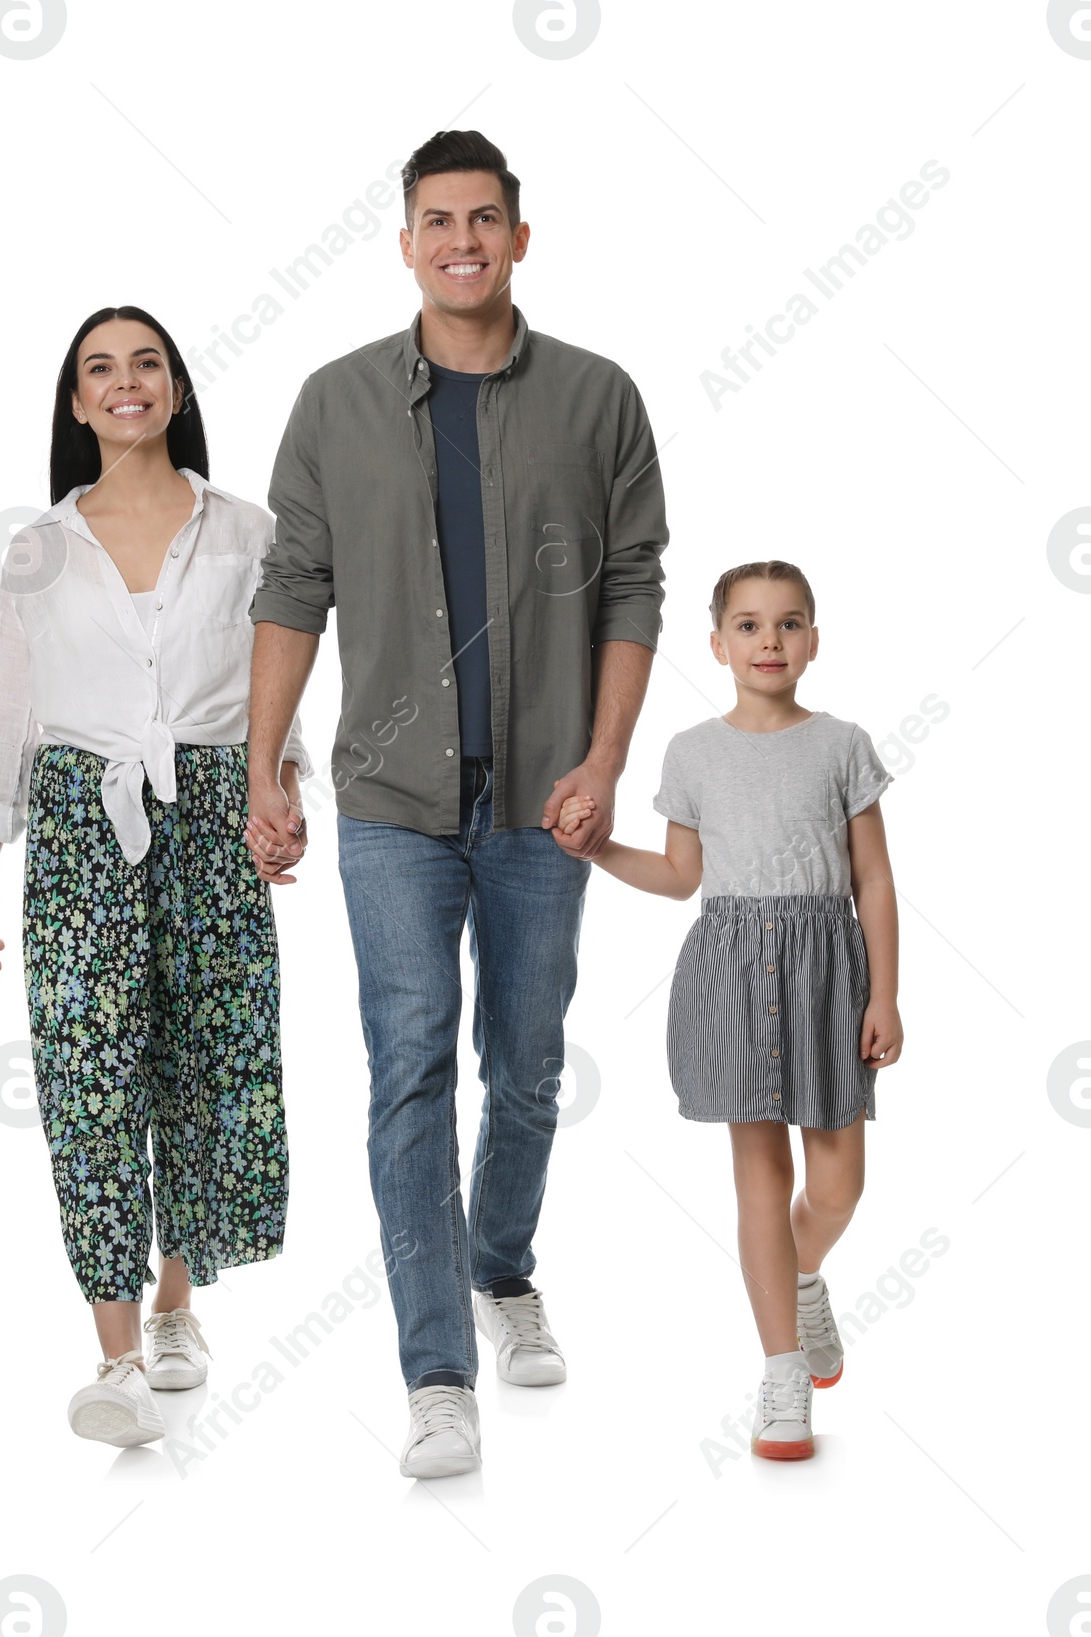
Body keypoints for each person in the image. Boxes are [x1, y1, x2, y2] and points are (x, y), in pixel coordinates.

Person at [245, 130, 669, 1477]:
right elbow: (290, 591)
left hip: (548, 802)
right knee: (411, 1062)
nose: (462, 239)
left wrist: (603, 763)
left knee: (529, 1065)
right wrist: (269, 764)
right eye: (438, 220)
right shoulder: (334, 402)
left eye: (485, 218)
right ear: (408, 241)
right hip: (389, 800)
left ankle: (502, 1265)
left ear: (520, 238)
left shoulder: (600, 399)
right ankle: (436, 1371)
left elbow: (632, 589)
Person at [0, 306, 311, 1448]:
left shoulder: (248, 531)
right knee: (87, 1073)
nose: (124, 382)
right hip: (75, 817)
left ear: (176, 387)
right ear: (75, 401)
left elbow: (279, 686)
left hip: (209, 808)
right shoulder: (38, 548)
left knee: (201, 1061)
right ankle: (112, 1354)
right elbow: (8, 719)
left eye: (144, 363)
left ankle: (173, 1308)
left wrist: (281, 786)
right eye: (99, 369)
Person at [559, 560, 902, 1460]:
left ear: (814, 641)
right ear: (717, 644)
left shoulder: (843, 745)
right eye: (748, 626)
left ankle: (805, 1275)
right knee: (760, 1180)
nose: (769, 641)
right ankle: (783, 1372)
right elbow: (680, 878)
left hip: (831, 974)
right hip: (733, 974)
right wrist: (601, 852)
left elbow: (873, 877)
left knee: (838, 1186)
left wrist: (887, 994)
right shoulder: (692, 753)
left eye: (789, 624)